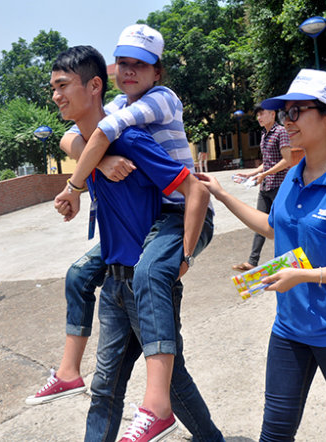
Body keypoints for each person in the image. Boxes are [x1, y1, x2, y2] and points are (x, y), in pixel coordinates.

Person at [27, 24, 216, 436]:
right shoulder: (93, 142)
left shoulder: (132, 133)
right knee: (109, 387)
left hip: (150, 266)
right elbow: (73, 139)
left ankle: (173, 419)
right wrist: (93, 164)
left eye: (63, 86)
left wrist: (183, 255)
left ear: (92, 86)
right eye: (123, 64)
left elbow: (192, 192)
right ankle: (70, 371)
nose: (56, 96)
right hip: (116, 280)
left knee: (167, 383)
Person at [198, 69, 326, 441]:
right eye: (284, 113)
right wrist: (223, 195)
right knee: (275, 430)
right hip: (290, 328)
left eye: (296, 112)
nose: (286, 122)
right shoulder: (295, 174)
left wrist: (307, 276)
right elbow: (278, 229)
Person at [231, 102, 291, 272]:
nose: (258, 117)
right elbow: (267, 163)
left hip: (279, 186)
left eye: (261, 114)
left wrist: (264, 174)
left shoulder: (281, 132)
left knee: (280, 224)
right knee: (259, 224)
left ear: (272, 114)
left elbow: (287, 160)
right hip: (265, 187)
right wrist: (250, 174)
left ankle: (284, 260)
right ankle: (252, 261)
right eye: (257, 115)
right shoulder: (264, 134)